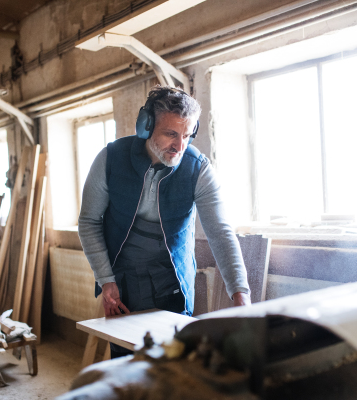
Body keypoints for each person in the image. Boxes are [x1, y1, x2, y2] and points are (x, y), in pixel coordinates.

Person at [78, 86, 250, 358]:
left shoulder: (198, 169)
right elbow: (89, 221)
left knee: (172, 369)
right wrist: (105, 279)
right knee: (128, 368)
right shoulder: (111, 159)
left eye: (187, 135)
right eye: (171, 133)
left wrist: (240, 293)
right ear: (146, 126)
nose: (180, 146)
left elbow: (220, 233)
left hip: (173, 283)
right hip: (123, 285)